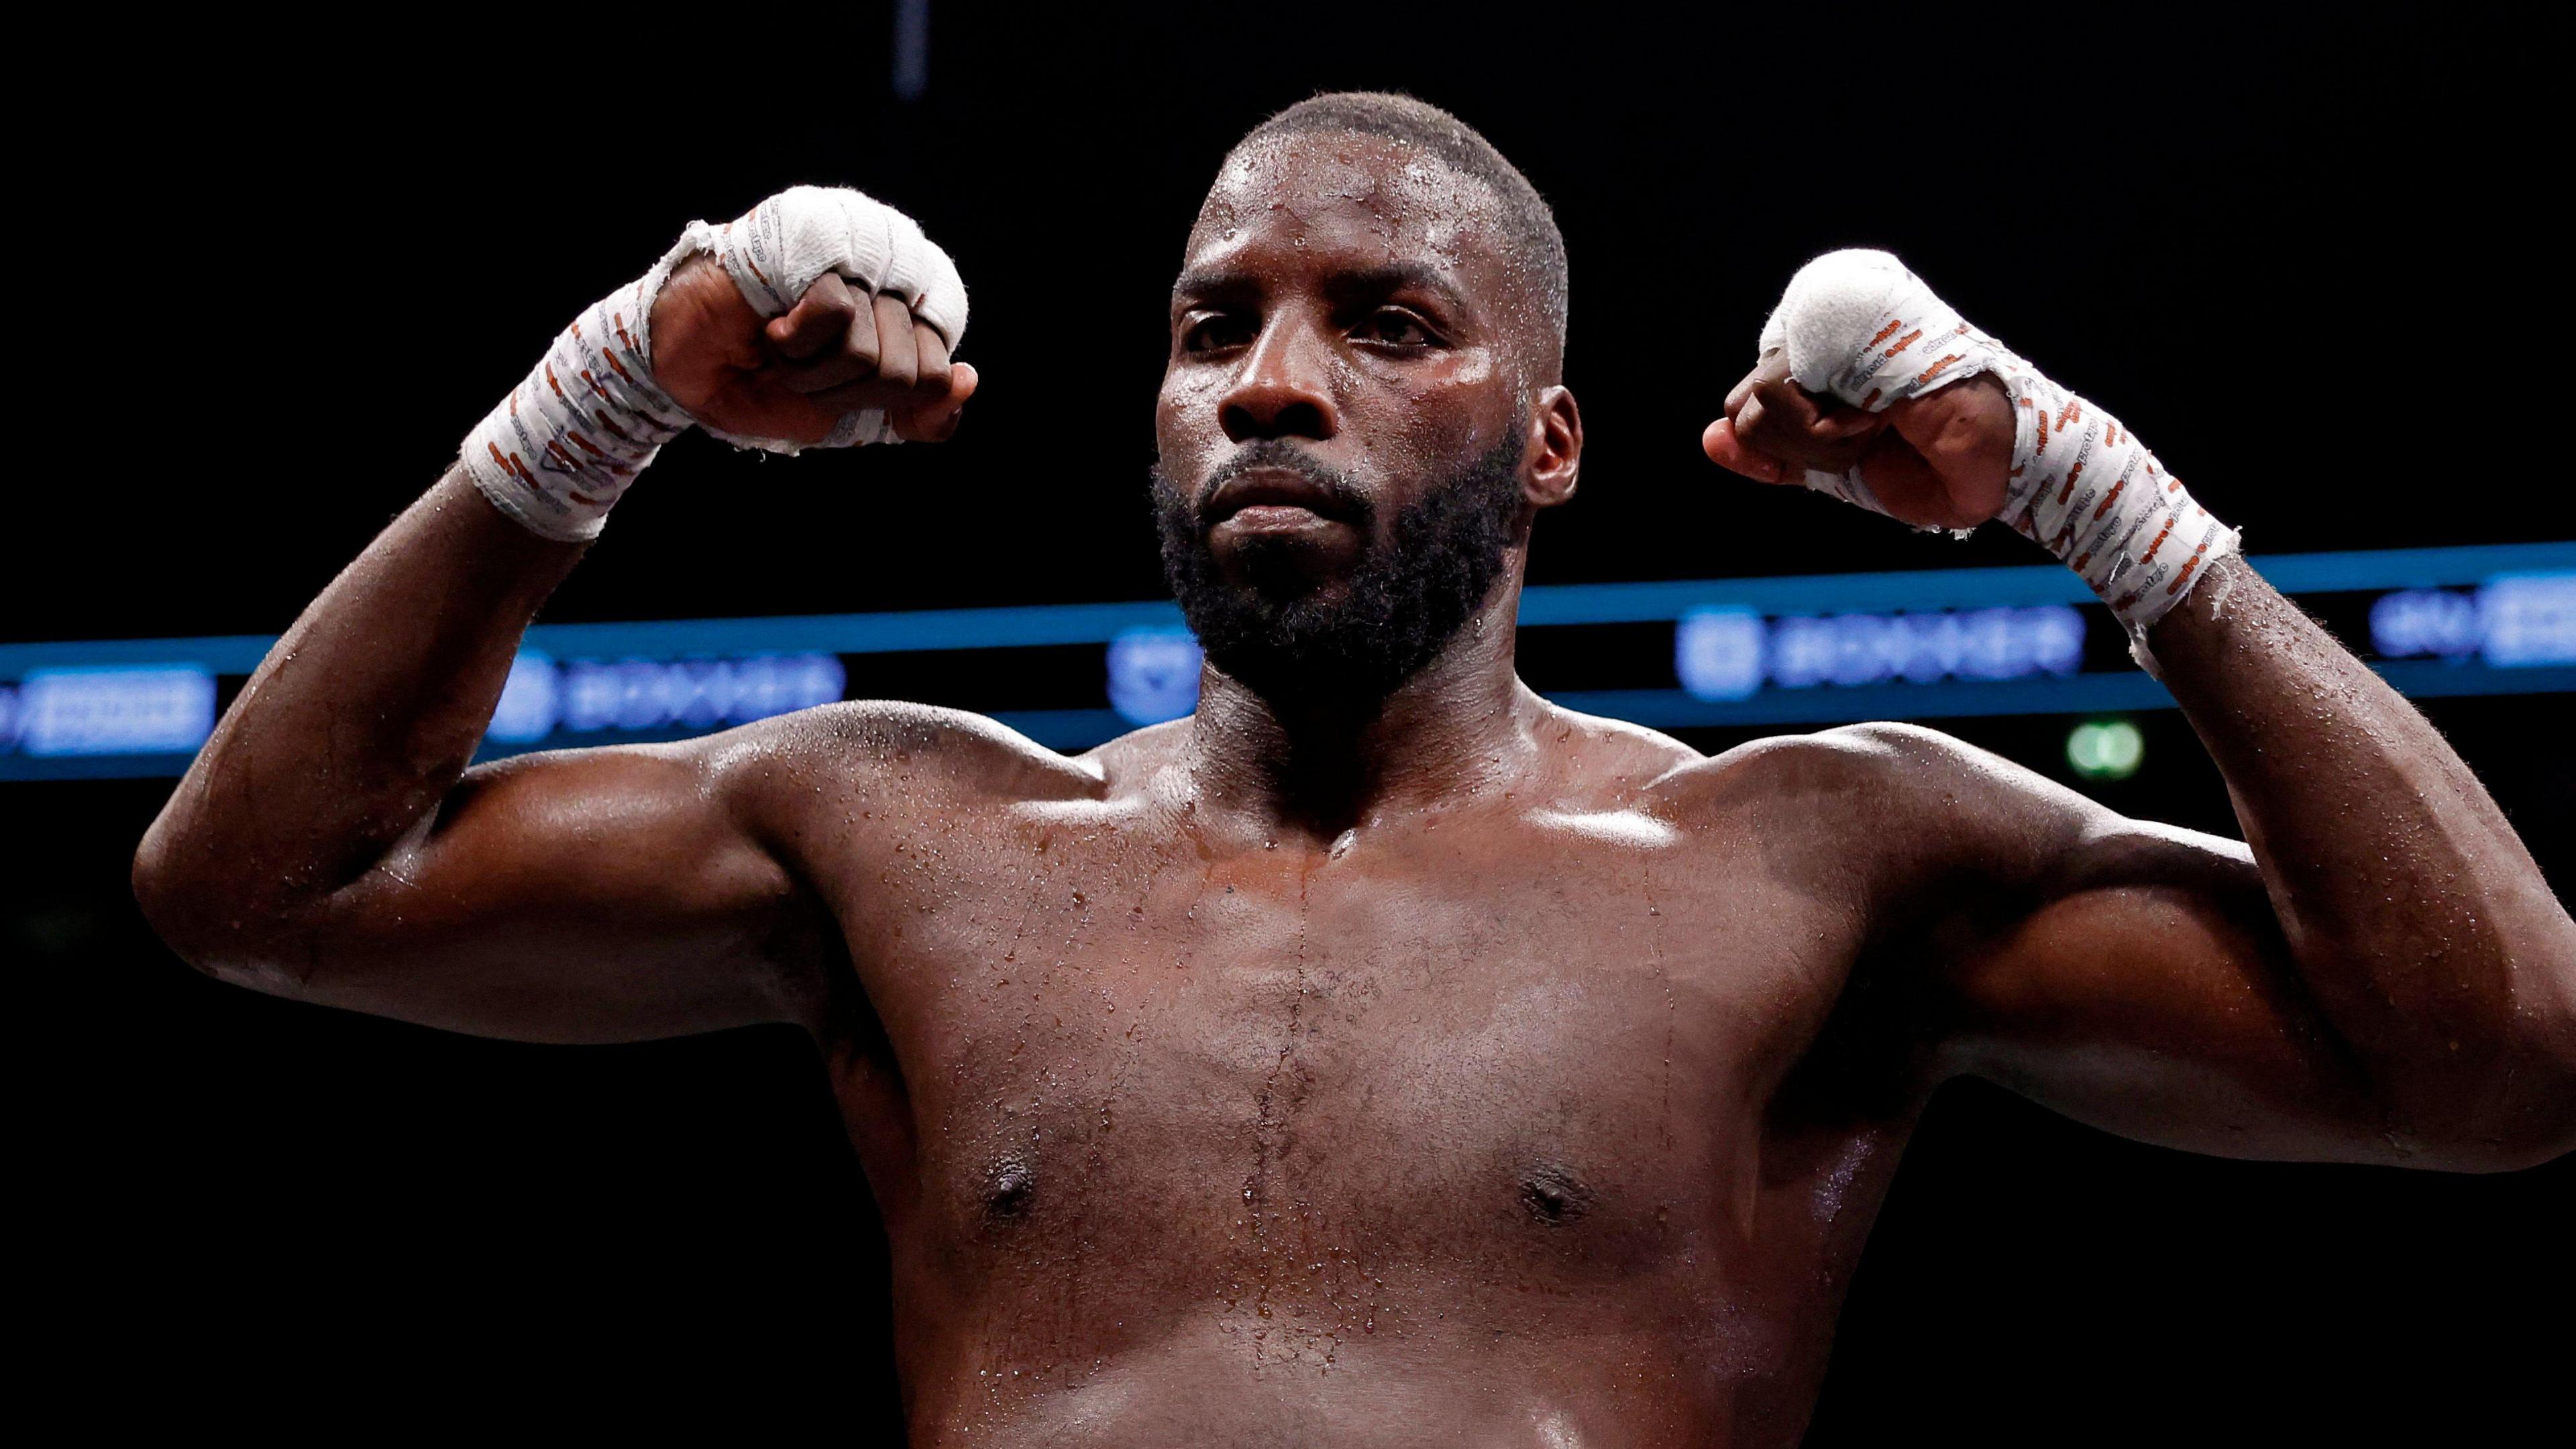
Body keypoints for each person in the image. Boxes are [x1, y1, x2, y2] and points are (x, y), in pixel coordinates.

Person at [133, 93, 2573, 1446]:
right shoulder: (901, 829)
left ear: (1550, 449)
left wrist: (2095, 499)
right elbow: (254, 882)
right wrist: (613, 391)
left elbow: (2500, 1058)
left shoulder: (1818, 855)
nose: (1265, 384)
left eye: (1382, 324)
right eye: (1215, 328)